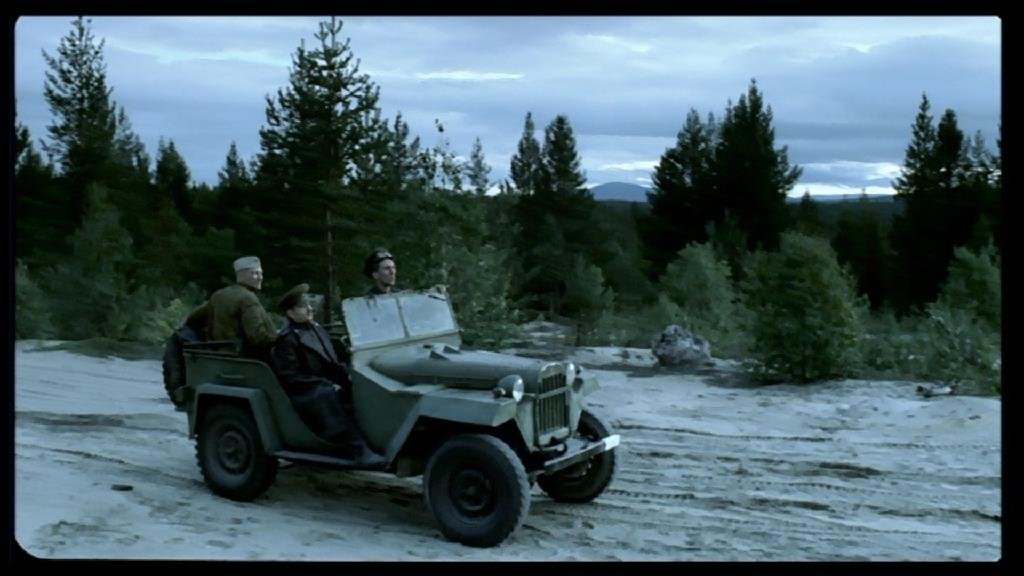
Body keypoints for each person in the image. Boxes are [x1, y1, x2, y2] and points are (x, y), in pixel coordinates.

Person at [270, 283, 386, 466]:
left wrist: (349, 374)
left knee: (362, 384)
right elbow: (290, 376)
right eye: (303, 306)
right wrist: (326, 383)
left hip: (325, 382)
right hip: (306, 390)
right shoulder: (287, 339)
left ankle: (377, 438)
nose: (310, 309)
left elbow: (332, 361)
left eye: (309, 304)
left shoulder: (316, 328)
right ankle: (357, 448)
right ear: (290, 313)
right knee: (328, 394)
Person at [186, 256, 277, 358]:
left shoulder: (218, 294)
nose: (260, 277)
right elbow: (257, 336)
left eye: (261, 274)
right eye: (255, 273)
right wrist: (277, 340)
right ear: (242, 275)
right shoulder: (248, 298)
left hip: (216, 354)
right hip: (243, 358)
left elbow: (192, 318)